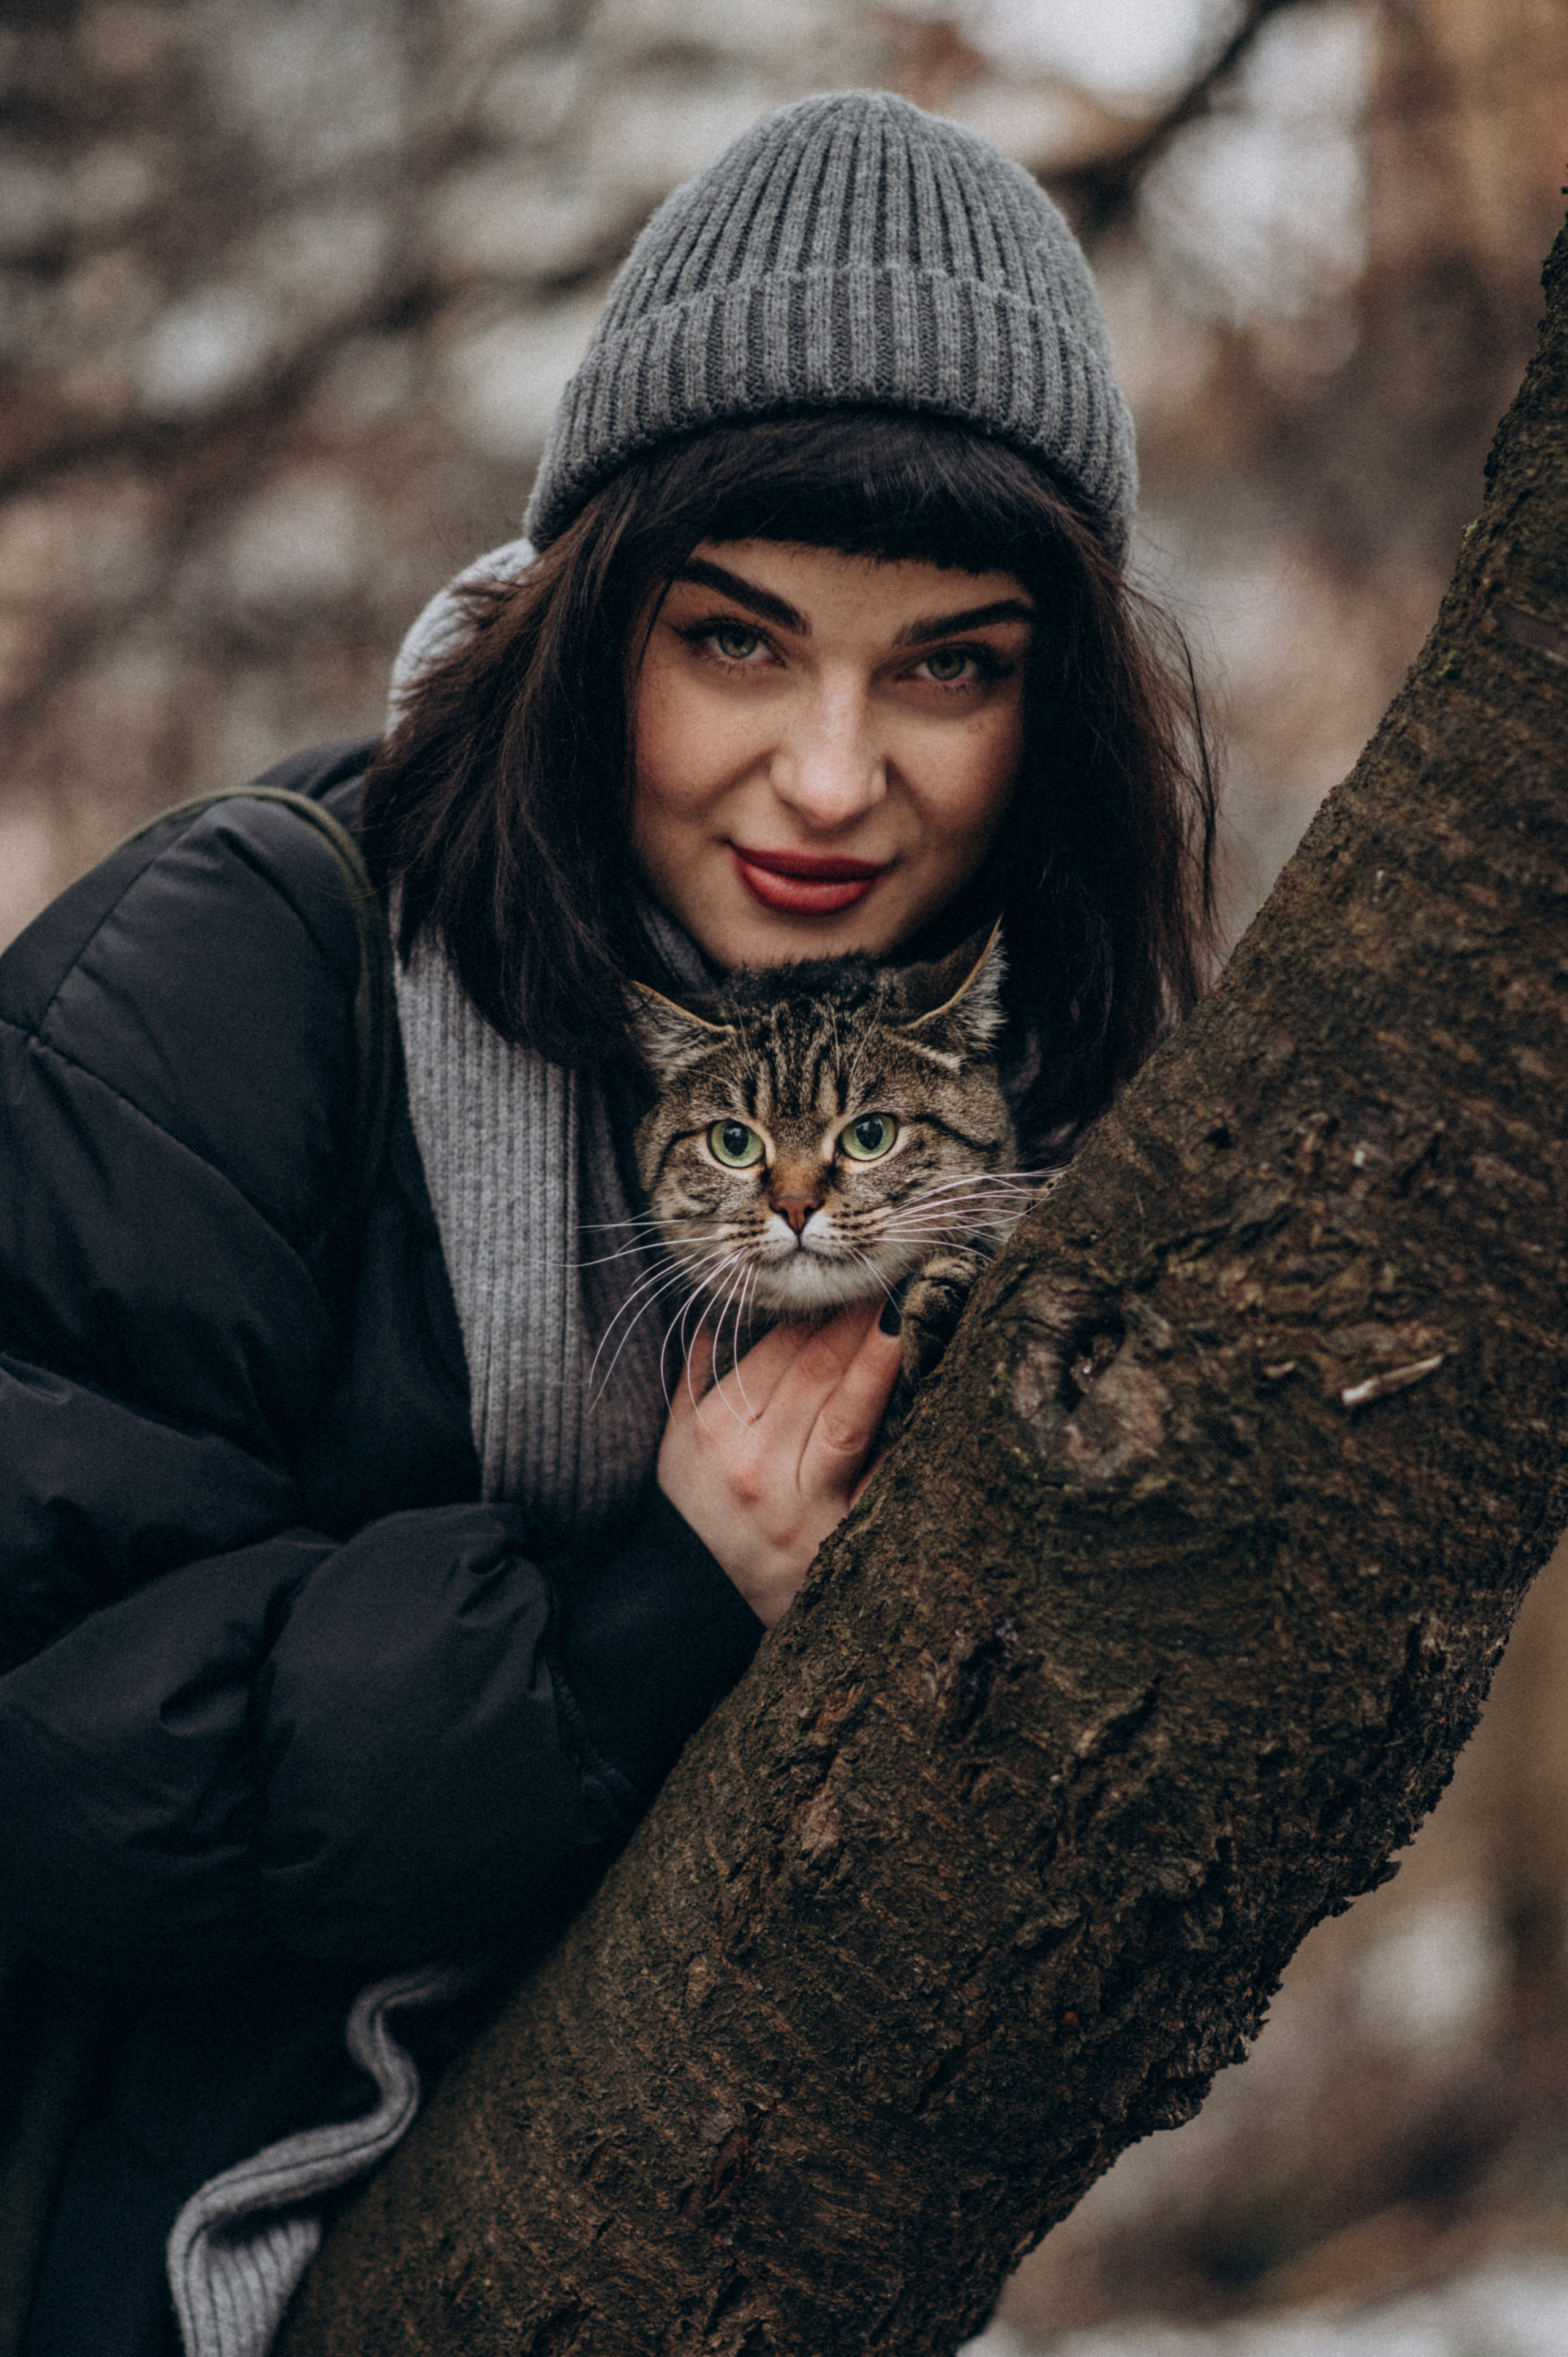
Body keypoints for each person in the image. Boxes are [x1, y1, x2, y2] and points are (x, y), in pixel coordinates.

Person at [0, 90, 1213, 2357]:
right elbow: (53, 1742)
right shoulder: (232, 977)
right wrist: (637, 1616)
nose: (835, 778)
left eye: (946, 664)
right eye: (737, 642)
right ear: (590, 624)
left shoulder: (1036, 1110)